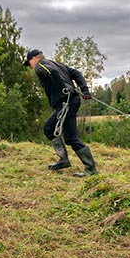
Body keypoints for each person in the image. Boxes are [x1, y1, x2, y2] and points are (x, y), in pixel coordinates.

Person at [24, 48, 98, 177]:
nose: (30, 66)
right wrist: (84, 90)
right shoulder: (58, 64)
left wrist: (64, 88)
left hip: (66, 103)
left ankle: (90, 170)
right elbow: (76, 73)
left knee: (57, 132)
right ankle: (65, 160)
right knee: (57, 131)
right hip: (69, 101)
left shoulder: (40, 66)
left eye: (29, 62)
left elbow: (50, 72)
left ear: (34, 59)